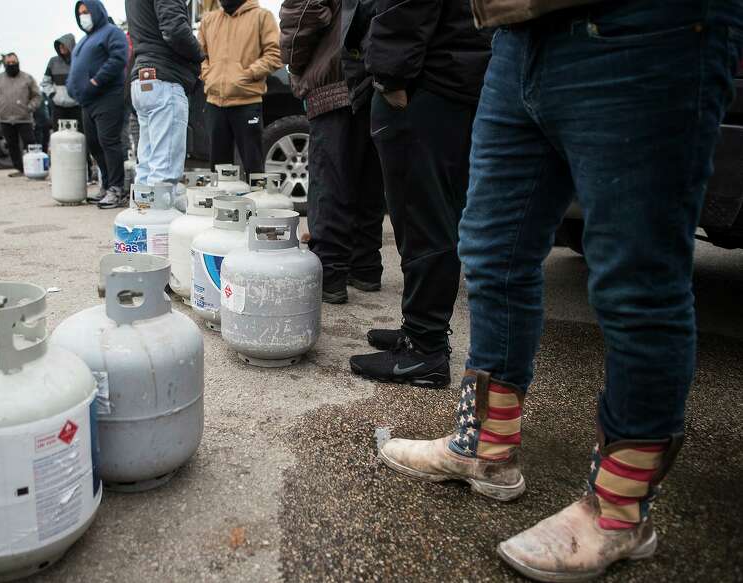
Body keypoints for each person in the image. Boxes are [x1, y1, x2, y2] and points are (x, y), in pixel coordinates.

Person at [377, 1, 743, 580]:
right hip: (517, 40)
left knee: (634, 277)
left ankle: (619, 513)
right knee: (491, 253)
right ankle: (485, 449)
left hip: (646, 29)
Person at [347, 0, 491, 387]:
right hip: (451, 74)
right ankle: (420, 331)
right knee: (431, 212)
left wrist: (390, 75)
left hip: (428, 80)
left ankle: (424, 350)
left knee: (422, 215)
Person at [279, 0, 385, 304]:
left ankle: (330, 273)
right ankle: (365, 266)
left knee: (331, 178)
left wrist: (295, 63)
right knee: (368, 175)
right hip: (374, 73)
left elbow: (304, 13)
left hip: (334, 74)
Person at [198, 0, 282, 176]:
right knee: (218, 170)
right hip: (215, 103)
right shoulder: (209, 20)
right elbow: (200, 56)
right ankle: (221, 203)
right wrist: (208, 75)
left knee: (254, 166)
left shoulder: (262, 16)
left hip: (247, 102)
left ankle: (258, 200)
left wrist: (247, 75)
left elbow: (275, 54)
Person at [125, 0, 204, 185]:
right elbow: (175, 29)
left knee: (146, 166)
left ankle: (142, 211)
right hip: (164, 78)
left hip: (143, 78)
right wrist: (200, 55)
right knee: (164, 171)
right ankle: (156, 212)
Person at [67, 0, 130, 209]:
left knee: (109, 142)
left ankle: (117, 189)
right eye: (80, 13)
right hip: (88, 101)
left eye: (86, 11)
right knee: (94, 144)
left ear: (97, 11)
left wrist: (95, 81)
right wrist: (72, 86)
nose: (84, 16)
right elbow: (76, 68)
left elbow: (119, 58)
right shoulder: (85, 40)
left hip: (108, 96)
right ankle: (106, 185)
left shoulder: (111, 32)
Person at [0, 53, 41, 177]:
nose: (11, 65)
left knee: (30, 144)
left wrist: (29, 108)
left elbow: (37, 96)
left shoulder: (27, 78)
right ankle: (20, 169)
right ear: (5, 64)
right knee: (12, 146)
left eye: (14, 62)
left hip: (24, 119)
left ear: (18, 62)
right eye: (9, 63)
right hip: (5, 119)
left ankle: (35, 169)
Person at [42, 34, 81, 129]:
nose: (61, 47)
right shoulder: (53, 61)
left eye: (63, 44)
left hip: (77, 107)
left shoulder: (80, 61)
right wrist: (52, 95)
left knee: (79, 135)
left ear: (70, 45)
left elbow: (85, 82)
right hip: (58, 107)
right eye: (59, 45)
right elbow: (45, 82)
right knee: (58, 136)